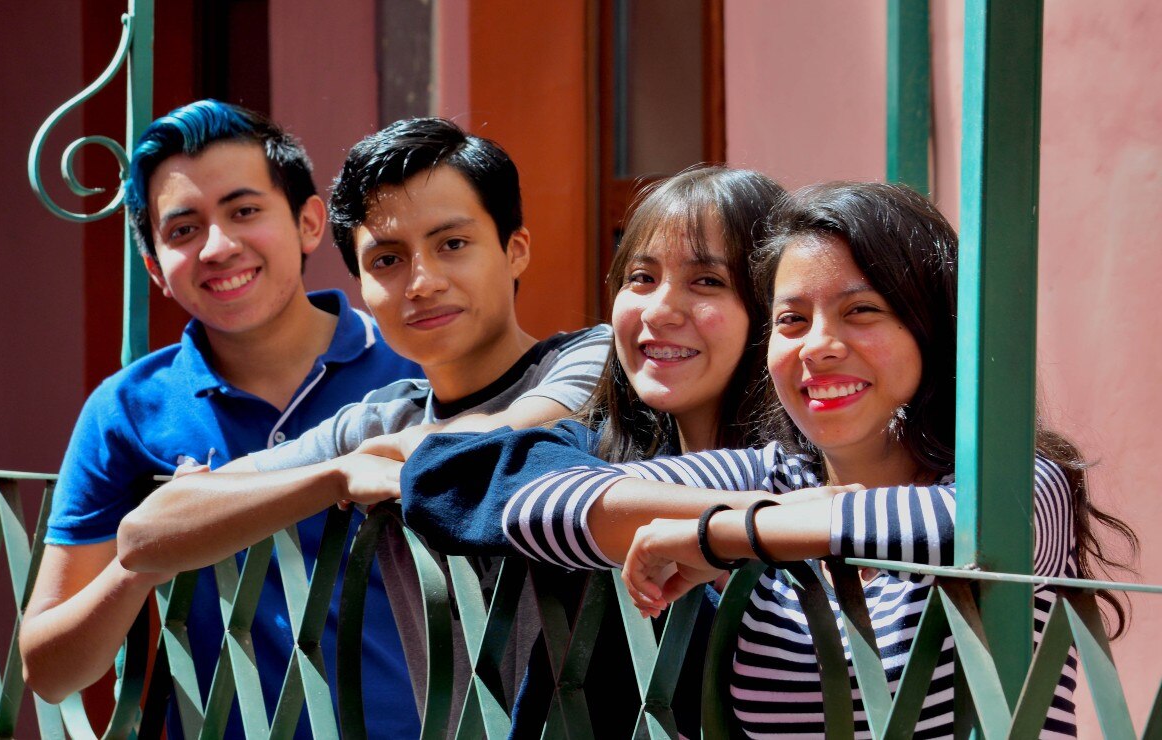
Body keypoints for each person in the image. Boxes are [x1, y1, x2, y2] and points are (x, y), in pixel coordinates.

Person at [404, 182, 1138, 738]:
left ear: (929, 328)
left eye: (861, 311)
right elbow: (537, 507)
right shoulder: (768, 474)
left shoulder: (1025, 479)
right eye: (792, 319)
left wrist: (720, 538)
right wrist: (752, 514)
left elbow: (965, 530)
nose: (818, 344)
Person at [114, 117, 613, 733]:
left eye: (452, 244)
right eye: (387, 260)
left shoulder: (600, 358)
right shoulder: (381, 420)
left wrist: (406, 451)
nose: (423, 283)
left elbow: (521, 425)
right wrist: (335, 477)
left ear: (516, 249)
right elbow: (143, 534)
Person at [19, 100, 425, 737]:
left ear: (310, 222)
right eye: (182, 230)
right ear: (155, 267)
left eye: (245, 211)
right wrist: (149, 552)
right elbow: (50, 670)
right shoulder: (126, 411)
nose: (218, 247)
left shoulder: (419, 371)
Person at [399, 165, 785, 736]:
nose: (659, 310)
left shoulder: (816, 474)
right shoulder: (597, 449)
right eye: (641, 277)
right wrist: (744, 525)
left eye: (707, 281)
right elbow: (439, 473)